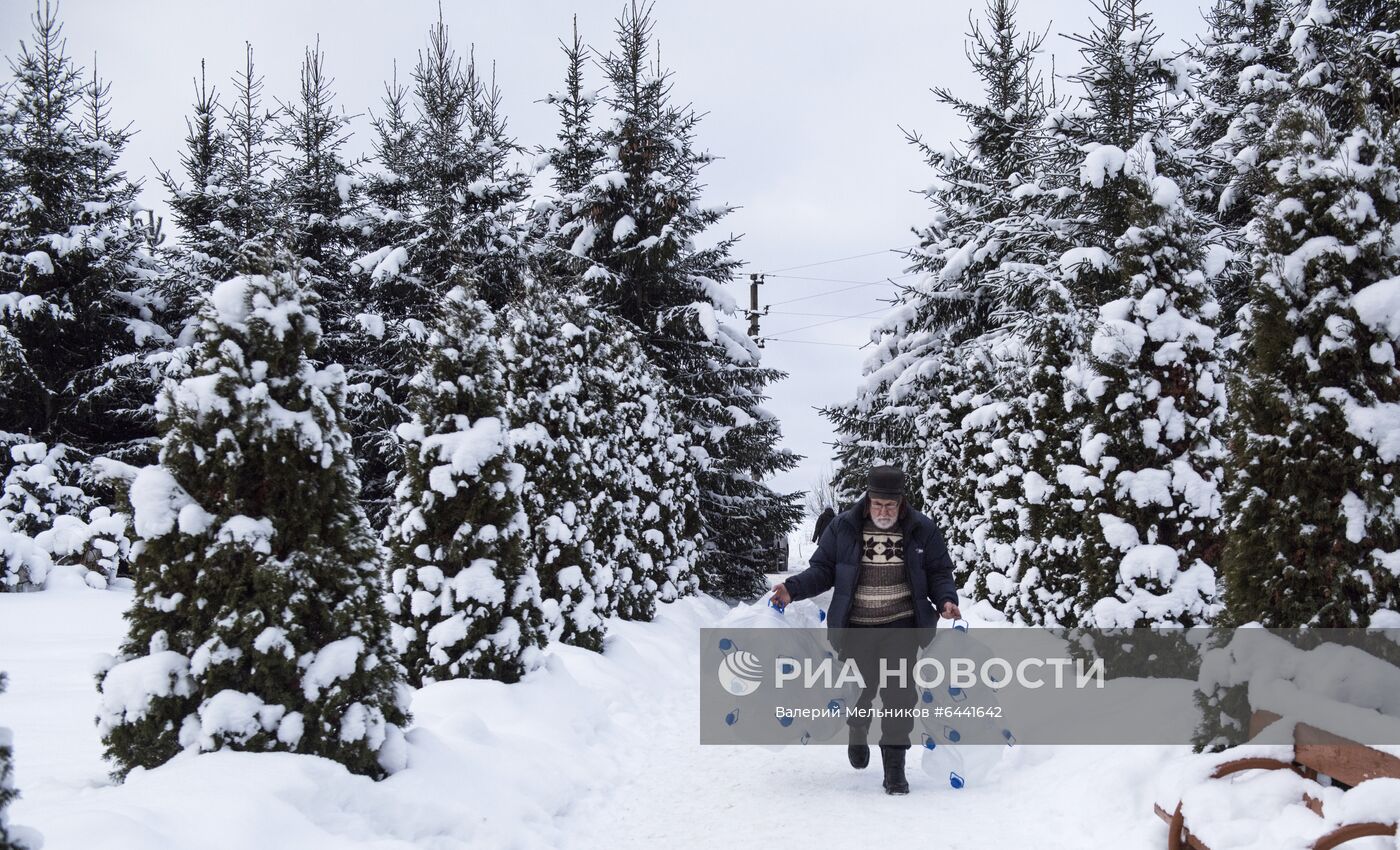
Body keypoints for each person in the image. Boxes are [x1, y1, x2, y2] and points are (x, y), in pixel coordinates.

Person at [771, 464, 961, 795]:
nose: (883, 511)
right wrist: (792, 588)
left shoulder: (922, 529)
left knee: (900, 695)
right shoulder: (843, 527)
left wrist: (945, 600)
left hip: (902, 625)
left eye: (890, 505)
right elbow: (823, 570)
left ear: (902, 502)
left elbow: (938, 571)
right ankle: (857, 730)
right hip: (856, 626)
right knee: (860, 691)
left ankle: (895, 770)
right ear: (868, 498)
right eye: (878, 504)